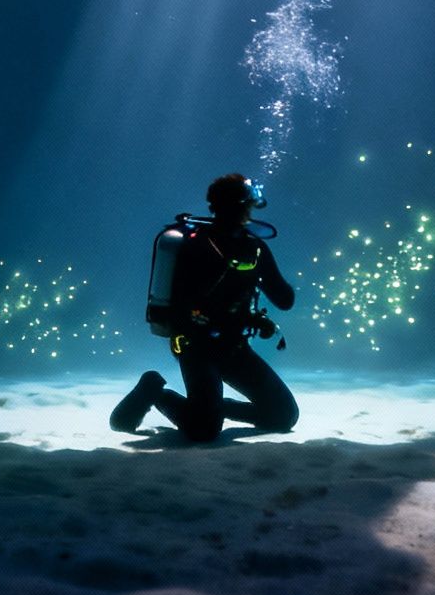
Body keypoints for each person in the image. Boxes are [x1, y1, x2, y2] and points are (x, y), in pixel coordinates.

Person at [109, 173, 298, 442]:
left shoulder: (250, 248)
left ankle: (212, 410)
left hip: (233, 346)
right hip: (195, 347)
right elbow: (285, 298)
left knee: (283, 415)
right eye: (245, 205)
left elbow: (283, 300)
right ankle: (155, 391)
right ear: (242, 207)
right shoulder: (204, 245)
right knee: (204, 430)